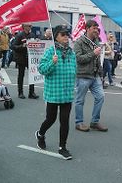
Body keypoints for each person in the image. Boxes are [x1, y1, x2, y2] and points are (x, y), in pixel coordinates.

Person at [35, 25, 76, 160]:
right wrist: (52, 63)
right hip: (53, 92)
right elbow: (41, 69)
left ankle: (62, 147)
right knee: (50, 119)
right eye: (63, 34)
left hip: (67, 93)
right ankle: (40, 134)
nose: (66, 37)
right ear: (56, 37)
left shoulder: (71, 53)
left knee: (65, 121)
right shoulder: (50, 52)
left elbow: (74, 70)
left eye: (67, 34)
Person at [74, 20, 108, 132]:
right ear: (87, 28)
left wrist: (101, 74)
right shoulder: (79, 42)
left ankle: (94, 122)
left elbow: (98, 60)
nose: (96, 30)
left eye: (97, 28)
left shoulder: (96, 41)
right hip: (83, 75)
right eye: (94, 28)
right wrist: (93, 54)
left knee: (100, 97)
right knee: (80, 100)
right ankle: (79, 123)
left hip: (95, 75)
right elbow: (79, 59)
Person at [12, 24, 38, 99]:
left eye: (31, 26)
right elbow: (13, 46)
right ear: (24, 27)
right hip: (21, 58)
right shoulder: (19, 35)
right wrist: (22, 46)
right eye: (29, 26)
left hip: (30, 58)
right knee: (21, 75)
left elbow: (35, 44)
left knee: (32, 75)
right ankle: (20, 92)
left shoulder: (32, 35)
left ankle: (31, 92)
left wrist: (37, 42)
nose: (30, 27)